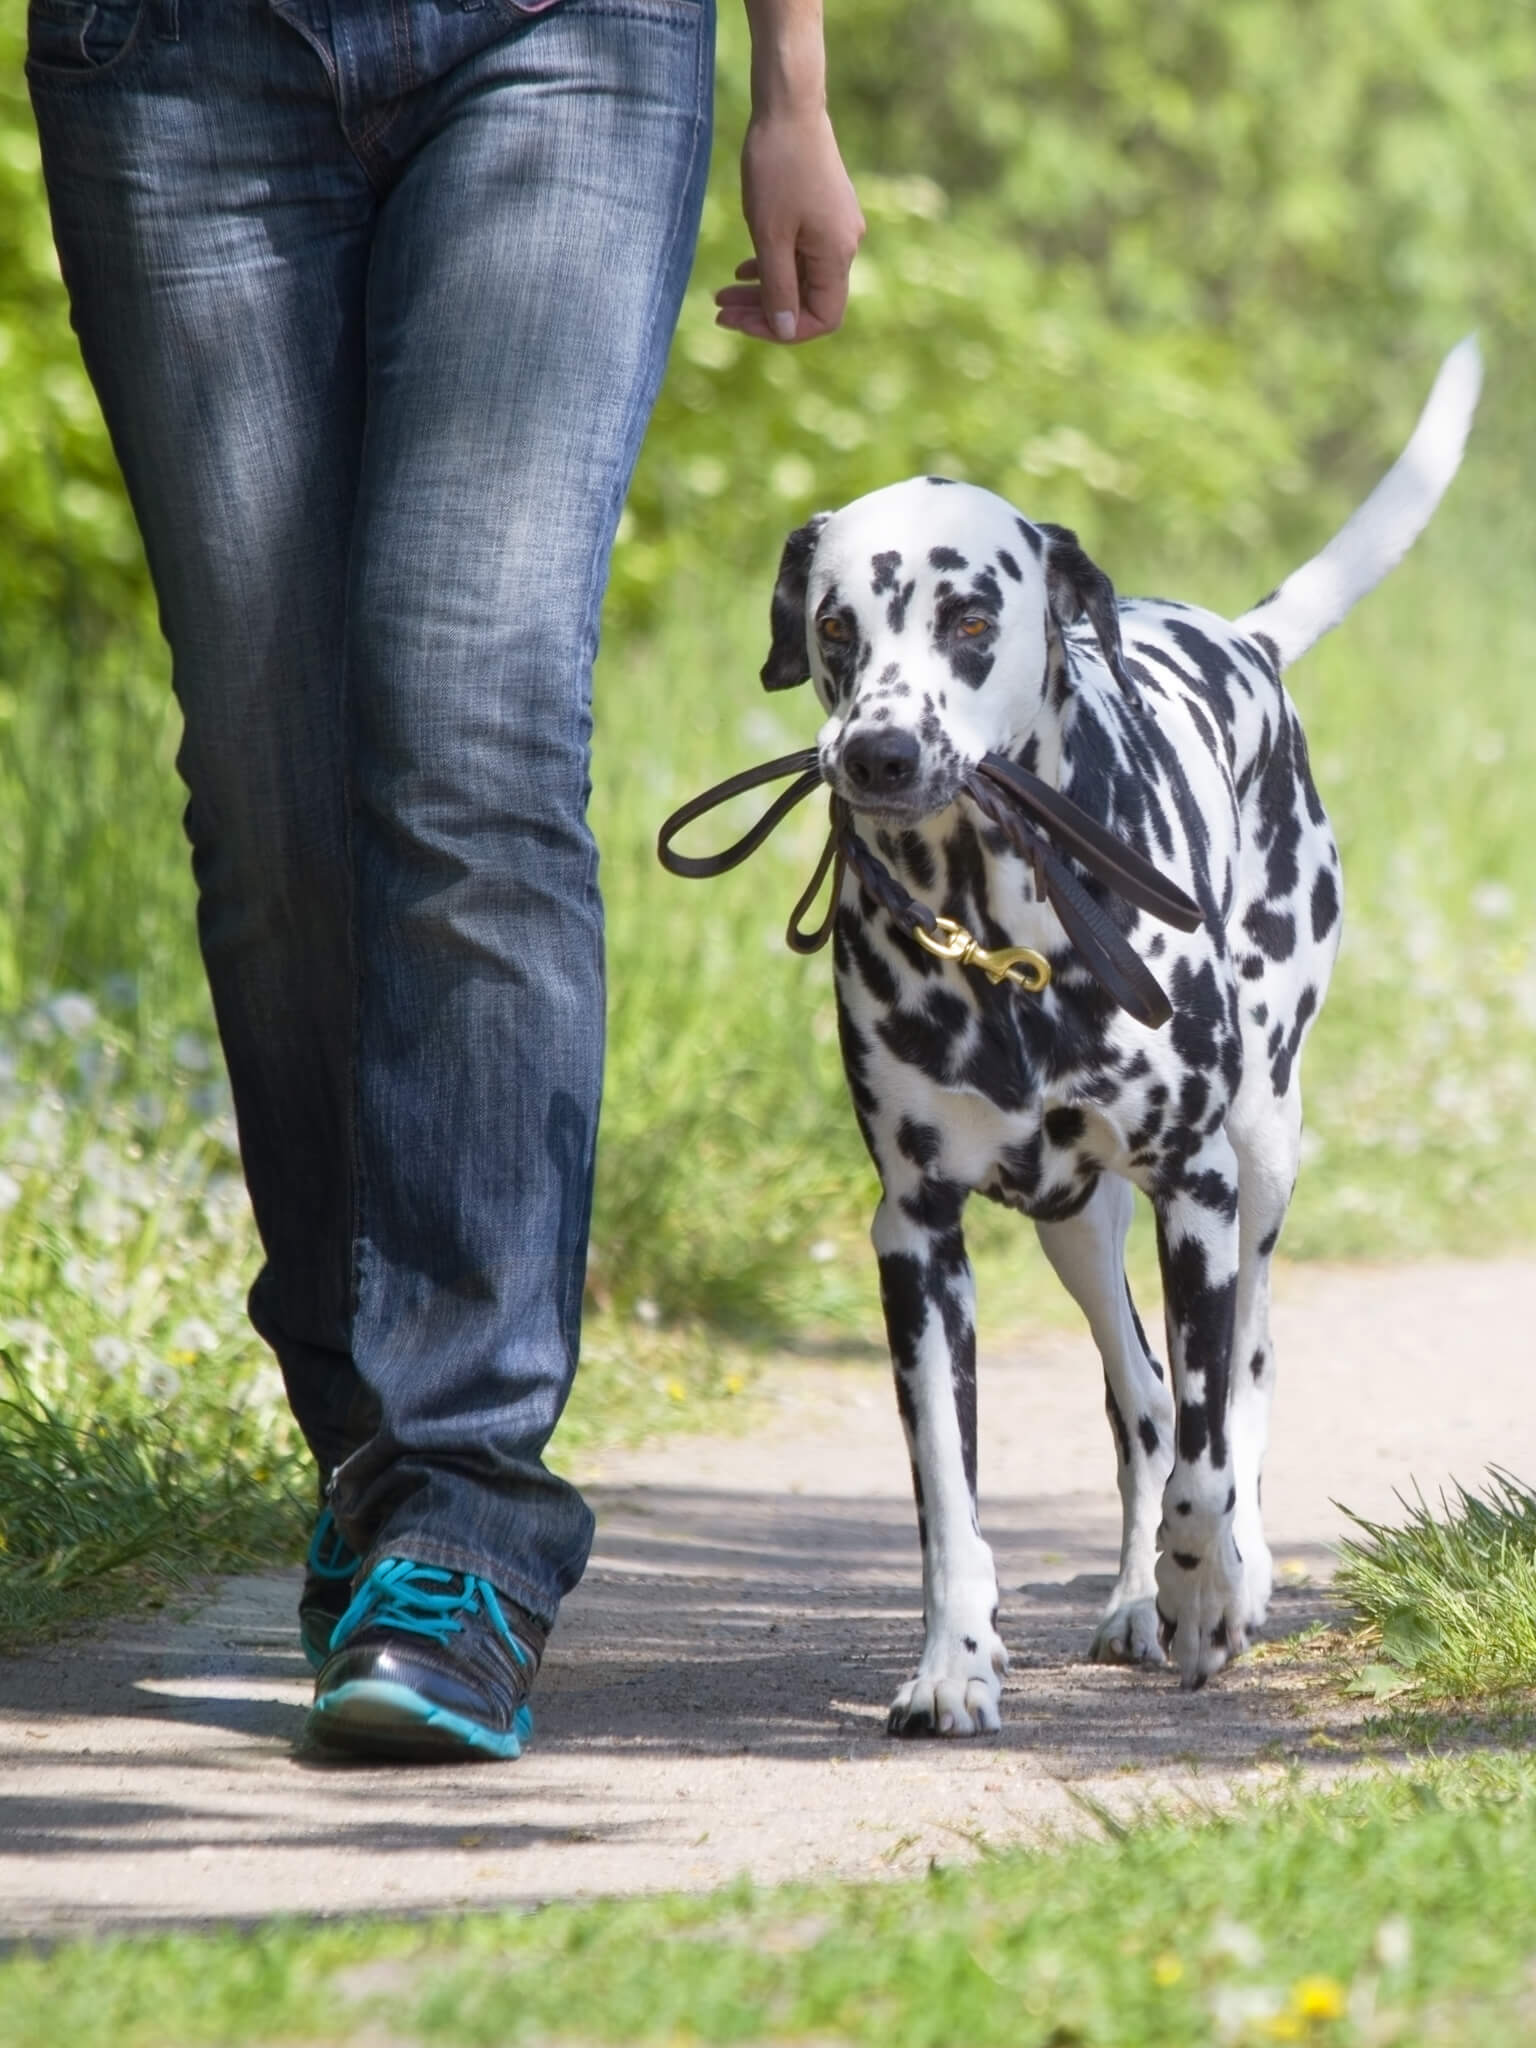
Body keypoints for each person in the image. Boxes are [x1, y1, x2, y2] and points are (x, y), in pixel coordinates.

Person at [28, 0, 862, 1761]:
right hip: (172, 61)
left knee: (471, 707)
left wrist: (792, 86)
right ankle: (370, 1450)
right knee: (270, 778)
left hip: (562, 37)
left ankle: (466, 1511)